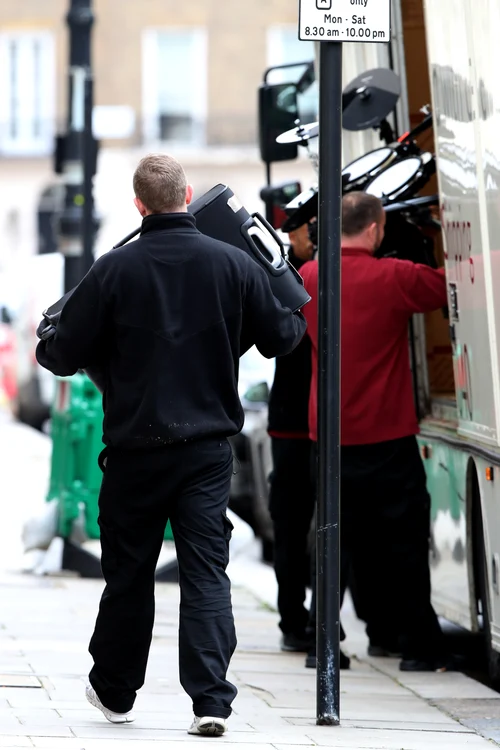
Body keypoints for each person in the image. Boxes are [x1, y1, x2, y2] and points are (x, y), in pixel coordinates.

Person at [35, 154, 307, 736]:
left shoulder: (114, 270)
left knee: (128, 574)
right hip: (207, 453)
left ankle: (115, 691)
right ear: (186, 194)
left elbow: (57, 354)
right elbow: (285, 336)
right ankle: (211, 700)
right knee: (207, 572)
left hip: (135, 450)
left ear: (139, 204)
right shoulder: (233, 263)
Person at [300, 191, 450, 672]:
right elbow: (454, 284)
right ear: (373, 229)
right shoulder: (396, 277)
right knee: (404, 545)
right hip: (387, 438)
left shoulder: (309, 278)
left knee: (331, 541)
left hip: (329, 438)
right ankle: (418, 646)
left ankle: (321, 642)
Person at [267, 223, 316, 653]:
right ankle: (313, 623)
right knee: (325, 527)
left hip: (290, 422)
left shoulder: (288, 277)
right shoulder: (299, 275)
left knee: (291, 528)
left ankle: (294, 620)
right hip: (313, 423)